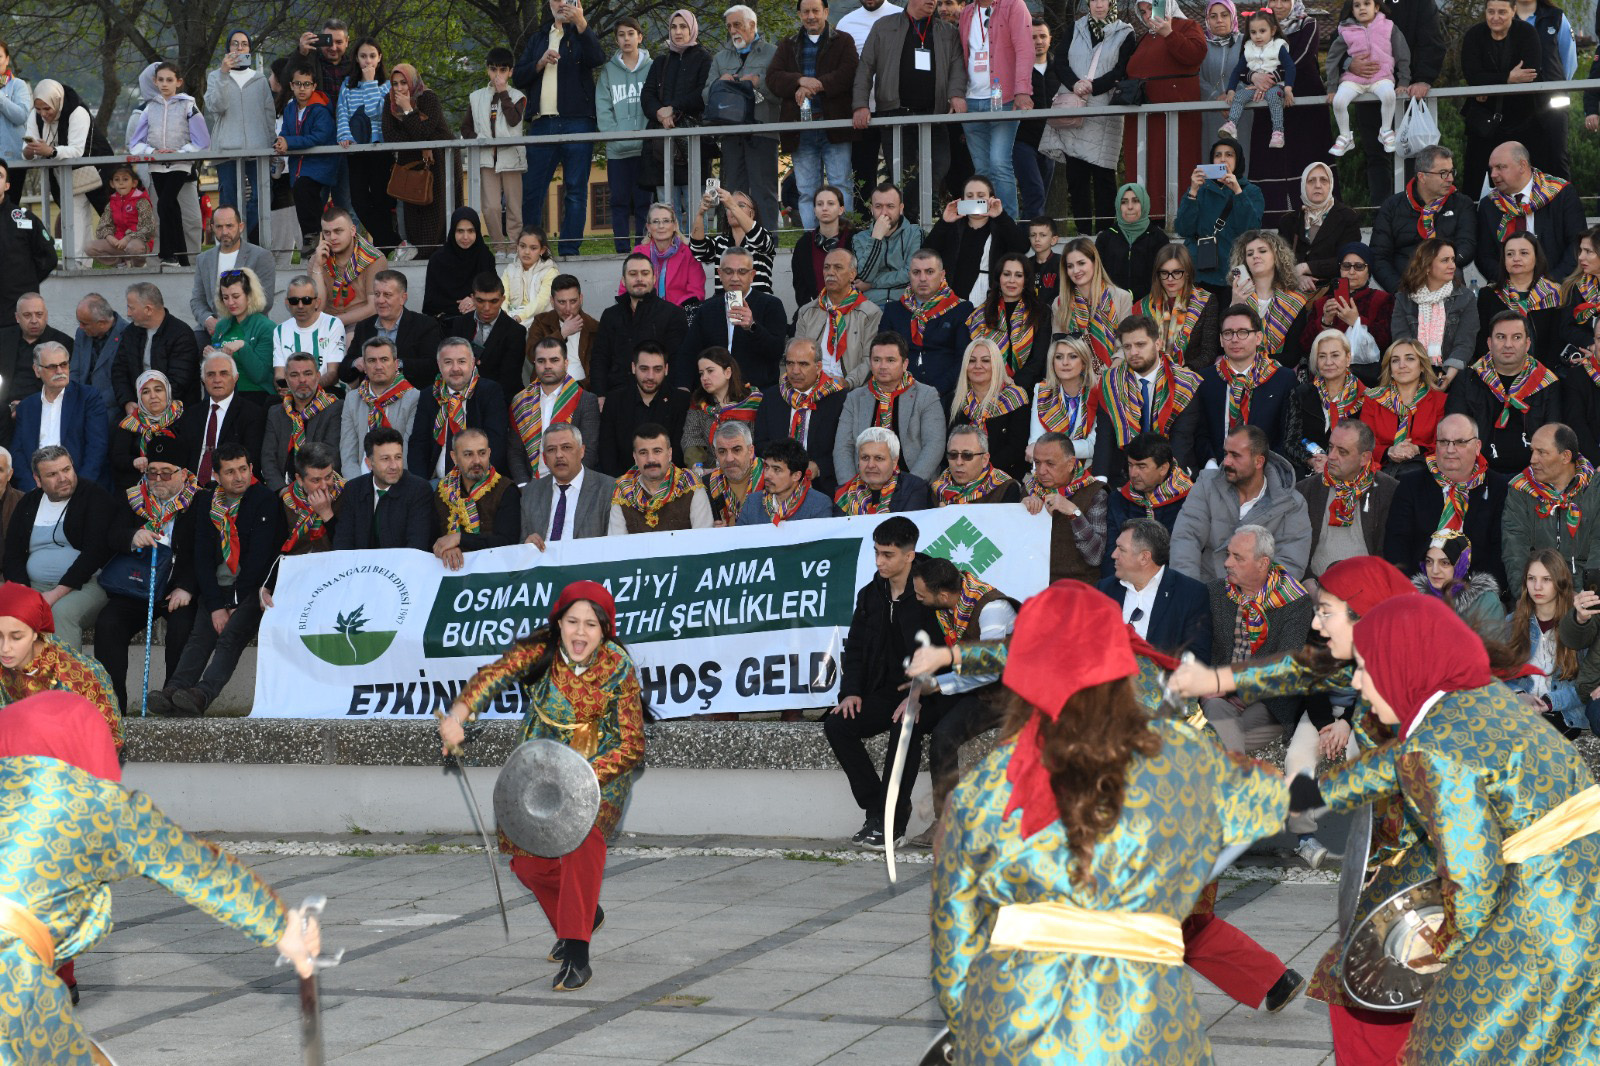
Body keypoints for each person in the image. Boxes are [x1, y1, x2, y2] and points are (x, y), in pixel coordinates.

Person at [931, 581, 1292, 1064]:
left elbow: (955, 944)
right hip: (1148, 1027)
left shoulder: (986, 789)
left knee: (1191, 925)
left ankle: (1270, 976)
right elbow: (1266, 800)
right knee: (1185, 921)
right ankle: (1271, 976)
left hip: (1027, 1026)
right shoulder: (1178, 751)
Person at [1302, 594, 1600, 1062]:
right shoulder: (1476, 697)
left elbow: (1473, 880)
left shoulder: (1434, 748)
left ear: (1399, 664)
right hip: (1583, 896)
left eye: (1365, 666)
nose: (1358, 681)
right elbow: (1393, 769)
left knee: (1454, 1048)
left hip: (1547, 916)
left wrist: (1433, 951)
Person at [439, 579, 643, 990]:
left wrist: (582, 778)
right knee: (529, 864)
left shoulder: (618, 667)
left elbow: (632, 744)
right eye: (573, 621)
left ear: (604, 631)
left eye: (591, 624)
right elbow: (491, 677)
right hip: (538, 772)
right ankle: (586, 915)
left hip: (600, 776)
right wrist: (457, 716)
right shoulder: (541, 654)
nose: (580, 632)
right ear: (559, 623)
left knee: (583, 844)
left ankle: (577, 951)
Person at [825, 516, 941, 848]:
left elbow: (942, 650)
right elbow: (857, 646)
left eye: (887, 554)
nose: (879, 561)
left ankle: (892, 822)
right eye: (876, 552)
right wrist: (851, 692)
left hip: (932, 692)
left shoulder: (930, 589)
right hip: (885, 690)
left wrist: (918, 694)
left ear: (909, 554)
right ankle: (877, 809)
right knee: (838, 724)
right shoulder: (871, 593)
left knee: (905, 725)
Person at [146, 442, 280, 716]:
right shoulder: (207, 501)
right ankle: (173, 691)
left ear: (252, 468)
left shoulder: (265, 500)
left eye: (243, 469)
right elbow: (202, 558)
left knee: (229, 637)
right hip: (217, 590)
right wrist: (217, 605)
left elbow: (259, 561)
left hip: (252, 591)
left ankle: (201, 695)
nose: (239, 476)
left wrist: (229, 605)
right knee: (199, 637)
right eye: (230, 472)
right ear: (217, 476)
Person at [903, 556, 1019, 848]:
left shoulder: (991, 608)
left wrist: (938, 686)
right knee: (920, 721)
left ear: (942, 595)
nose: (916, 599)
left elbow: (990, 670)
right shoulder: (951, 607)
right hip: (979, 688)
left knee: (944, 735)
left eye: (920, 595)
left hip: (1011, 692)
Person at [94, 436, 199, 713]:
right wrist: (133, 535)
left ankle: (172, 699)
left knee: (182, 629)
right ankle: (113, 704)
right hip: (139, 584)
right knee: (108, 623)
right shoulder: (133, 498)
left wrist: (187, 587)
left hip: (177, 588)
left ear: (184, 474)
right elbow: (112, 536)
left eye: (166, 472)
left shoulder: (201, 502)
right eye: (152, 472)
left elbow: (205, 553)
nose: (158, 479)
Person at [1200, 525, 1312, 750]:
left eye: (1237, 558)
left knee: (1217, 732)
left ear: (1262, 563)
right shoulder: (1214, 593)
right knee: (1216, 710)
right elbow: (1199, 646)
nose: (1227, 563)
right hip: (1219, 698)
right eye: (1228, 554)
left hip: (1267, 701)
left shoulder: (1294, 601)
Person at [849, 0, 960, 218]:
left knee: (939, 164)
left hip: (934, 116)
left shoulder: (947, 31)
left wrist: (956, 94)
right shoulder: (884, 26)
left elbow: (957, 65)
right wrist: (860, 105)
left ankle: (920, 214)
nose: (933, 1)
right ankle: (910, 225)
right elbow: (865, 68)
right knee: (903, 175)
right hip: (894, 115)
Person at [513, 0, 604, 257]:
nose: (561, 3)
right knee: (532, 191)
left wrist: (581, 22)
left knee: (575, 190)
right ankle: (532, 251)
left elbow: (598, 58)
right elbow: (519, 77)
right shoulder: (539, 37)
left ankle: (569, 250)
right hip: (542, 123)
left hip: (579, 121)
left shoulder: (583, 32)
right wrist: (539, 63)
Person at [2, 447, 116, 649]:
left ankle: (67, 680)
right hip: (33, 586)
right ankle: (14, 679)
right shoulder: (28, 503)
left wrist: (54, 595)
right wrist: (25, 594)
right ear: (38, 480)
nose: (63, 478)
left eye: (66, 469)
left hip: (86, 584)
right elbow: (13, 555)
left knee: (61, 613)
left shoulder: (94, 497)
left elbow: (94, 554)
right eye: (52, 474)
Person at [1385, 412, 1511, 588]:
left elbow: (1501, 552)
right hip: (1419, 592)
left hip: (1477, 595)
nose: (1450, 450)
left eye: (1460, 442)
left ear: (1477, 446)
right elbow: (1397, 546)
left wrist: (1471, 592)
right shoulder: (1410, 485)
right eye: (1443, 442)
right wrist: (1416, 590)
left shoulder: (1500, 489)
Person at [1171, 424, 1312, 581]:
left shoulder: (1291, 503)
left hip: (1257, 595)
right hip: (1205, 586)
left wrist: (1253, 599)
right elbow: (1186, 538)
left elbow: (1290, 562)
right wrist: (1188, 590)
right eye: (1225, 453)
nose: (1226, 462)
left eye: (1235, 455)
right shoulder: (1207, 483)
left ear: (1258, 461)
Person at [768, 0, 859, 232]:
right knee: (807, 190)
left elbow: (848, 73)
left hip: (835, 126)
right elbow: (773, 78)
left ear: (826, 12)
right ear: (799, 14)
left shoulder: (843, 40)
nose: (811, 16)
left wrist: (815, 85)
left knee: (841, 185)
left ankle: (843, 239)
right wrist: (800, 80)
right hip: (801, 129)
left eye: (815, 11)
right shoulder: (788, 45)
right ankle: (812, 241)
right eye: (806, 11)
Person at [1447, 310, 1561, 476]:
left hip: (1535, 476)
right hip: (1477, 473)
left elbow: (1553, 436)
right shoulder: (1468, 379)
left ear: (1527, 343)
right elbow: (1454, 431)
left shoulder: (1546, 382)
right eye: (1500, 337)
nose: (1508, 344)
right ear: (1489, 342)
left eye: (1516, 337)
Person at [1121, 0, 1206, 219]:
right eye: (1143, 11)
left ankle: (1180, 220)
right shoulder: (1143, 38)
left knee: (1174, 168)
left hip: (1175, 120)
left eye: (1152, 8)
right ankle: (1147, 221)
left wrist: (1169, 33)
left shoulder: (1186, 26)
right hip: (1144, 120)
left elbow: (1196, 54)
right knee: (1146, 172)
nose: (1148, 15)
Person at [1094, 313, 1201, 481]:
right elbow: (1104, 436)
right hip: (1124, 474)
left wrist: (1164, 482)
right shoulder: (1110, 382)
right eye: (1127, 347)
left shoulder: (1185, 384)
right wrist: (1100, 482)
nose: (1133, 352)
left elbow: (1181, 439)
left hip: (1173, 471)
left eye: (1140, 344)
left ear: (1158, 344)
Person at [703, 6, 781, 232]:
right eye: (729, 26)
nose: (732, 30)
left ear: (752, 25)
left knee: (763, 191)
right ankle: (732, 244)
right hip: (731, 133)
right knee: (732, 192)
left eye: (737, 24)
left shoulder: (772, 53)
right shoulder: (720, 58)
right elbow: (705, 94)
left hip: (763, 132)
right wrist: (720, 84)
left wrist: (759, 82)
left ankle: (768, 242)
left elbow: (780, 93)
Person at [834, 332, 945, 484]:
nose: (883, 366)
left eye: (890, 360)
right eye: (877, 360)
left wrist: (910, 486)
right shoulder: (854, 398)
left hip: (913, 482)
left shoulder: (926, 395)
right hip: (862, 485)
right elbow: (842, 448)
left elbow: (934, 445)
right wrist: (850, 488)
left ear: (905, 364)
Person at [21, 81, 113, 263]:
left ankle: (124, 260)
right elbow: (27, 148)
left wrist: (52, 151)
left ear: (57, 100)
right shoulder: (35, 114)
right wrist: (29, 151)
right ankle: (79, 263)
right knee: (75, 218)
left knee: (110, 217)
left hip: (97, 169)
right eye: (39, 109)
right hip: (64, 174)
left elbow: (77, 150)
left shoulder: (77, 112)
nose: (43, 114)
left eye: (47, 108)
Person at [1502, 422, 1600, 592]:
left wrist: (1579, 598)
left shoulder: (1594, 488)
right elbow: (1515, 552)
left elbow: (1597, 551)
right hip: (1536, 594)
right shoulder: (1520, 490)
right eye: (1532, 451)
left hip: (1585, 597)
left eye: (1542, 452)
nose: (1532, 460)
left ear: (1566, 456)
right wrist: (1528, 597)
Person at [1474, 139, 1584, 288]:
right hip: (1508, 293)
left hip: (1559, 290)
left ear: (1522, 165)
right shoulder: (1490, 204)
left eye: (1500, 167)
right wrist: (1513, 285)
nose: (1493, 174)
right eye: (1491, 168)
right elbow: (1484, 256)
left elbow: (1577, 245)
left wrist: (1551, 283)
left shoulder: (1561, 194)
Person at [1192, 304, 1295, 462]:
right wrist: (1211, 463)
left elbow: (1287, 435)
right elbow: (1199, 433)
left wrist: (1264, 466)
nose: (1234, 339)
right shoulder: (1204, 380)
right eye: (1228, 333)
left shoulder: (1282, 378)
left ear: (1258, 338)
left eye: (1243, 332)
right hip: (1216, 468)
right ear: (1220, 339)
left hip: (1264, 469)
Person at [1296, 418, 1397, 577]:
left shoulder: (1389, 491)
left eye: (1342, 451)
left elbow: (1392, 554)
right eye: (1330, 447)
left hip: (1368, 587)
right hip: (1315, 590)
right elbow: (1294, 551)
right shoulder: (1305, 490)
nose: (1332, 456)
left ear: (1364, 458)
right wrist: (1309, 584)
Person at [1369, 144, 1476, 294]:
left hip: (1450, 287)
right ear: (1422, 177)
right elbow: (1378, 257)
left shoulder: (1462, 203)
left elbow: (1468, 245)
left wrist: (1443, 264)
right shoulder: (1392, 206)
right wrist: (1400, 291)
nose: (1450, 179)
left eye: (1452, 172)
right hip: (1405, 288)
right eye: (1443, 173)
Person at [675, 248, 787, 390]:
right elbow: (689, 353)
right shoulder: (707, 309)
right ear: (720, 274)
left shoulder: (771, 305)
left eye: (742, 272)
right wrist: (683, 389)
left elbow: (776, 352)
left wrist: (752, 327)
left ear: (752, 275)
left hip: (757, 395)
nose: (735, 278)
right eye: (728, 272)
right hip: (713, 396)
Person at [1100, 517, 1212, 658]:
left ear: (1144, 557)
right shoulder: (1104, 590)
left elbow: (1196, 658)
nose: (1113, 555)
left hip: (1161, 678)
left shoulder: (1190, 594)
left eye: (1121, 549)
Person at [638, 10, 713, 214]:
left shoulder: (704, 59)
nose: (678, 31)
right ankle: (671, 247)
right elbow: (647, 96)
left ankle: (696, 247)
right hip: (663, 144)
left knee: (695, 208)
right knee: (666, 207)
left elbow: (703, 94)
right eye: (673, 27)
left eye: (683, 27)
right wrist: (660, 113)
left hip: (692, 143)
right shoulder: (661, 61)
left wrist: (674, 108)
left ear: (692, 29)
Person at [9, 343, 110, 495]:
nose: (60, 371)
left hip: (79, 487)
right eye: (52, 367)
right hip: (38, 487)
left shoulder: (87, 397)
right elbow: (17, 451)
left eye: (64, 364)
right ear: (37, 370)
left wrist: (80, 487)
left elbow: (97, 447)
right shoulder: (27, 406)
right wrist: (32, 487)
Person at [753, 337, 847, 496]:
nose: (795, 371)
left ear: (818, 367)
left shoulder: (839, 398)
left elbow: (845, 448)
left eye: (803, 364)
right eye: (790, 363)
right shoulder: (771, 397)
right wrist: (783, 465)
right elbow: (760, 443)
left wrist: (819, 466)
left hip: (823, 486)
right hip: (777, 486)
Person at [881, 250, 975, 407]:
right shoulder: (893, 310)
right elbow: (883, 354)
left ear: (942, 274)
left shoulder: (961, 309)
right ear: (909, 275)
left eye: (929, 272)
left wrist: (936, 391)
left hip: (946, 395)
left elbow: (964, 359)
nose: (922, 278)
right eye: (916, 272)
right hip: (899, 392)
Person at [408, 338, 511, 480]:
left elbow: (496, 444)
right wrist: (419, 485)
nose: (455, 368)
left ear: (473, 362)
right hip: (435, 483)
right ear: (439, 365)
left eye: (461, 361)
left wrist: (475, 483)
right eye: (448, 362)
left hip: (480, 481)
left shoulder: (490, 391)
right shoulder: (429, 394)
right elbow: (418, 444)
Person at [206, 32, 276, 239]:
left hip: (258, 148)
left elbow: (269, 114)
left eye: (244, 44)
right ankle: (230, 244)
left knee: (262, 197)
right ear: (228, 48)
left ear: (249, 50)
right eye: (235, 44)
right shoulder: (215, 76)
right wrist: (223, 74)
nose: (239, 48)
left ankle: (240, 237)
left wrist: (271, 144)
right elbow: (217, 106)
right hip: (227, 149)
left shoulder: (260, 79)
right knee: (229, 201)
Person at [1176, 135, 1264, 294]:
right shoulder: (1200, 189)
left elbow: (1251, 231)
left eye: (1229, 155)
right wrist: (1193, 192)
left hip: (1234, 274)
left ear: (1238, 160)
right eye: (1218, 155)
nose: (1223, 159)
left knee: (1232, 318)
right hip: (1201, 272)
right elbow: (1183, 229)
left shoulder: (1250, 191)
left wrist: (1237, 191)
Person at [924, 176, 1028, 309]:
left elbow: (1022, 246)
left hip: (991, 301)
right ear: (962, 200)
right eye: (970, 196)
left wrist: (1001, 216)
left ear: (991, 198)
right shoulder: (952, 226)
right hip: (953, 301)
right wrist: (944, 222)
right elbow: (926, 253)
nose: (975, 200)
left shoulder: (1001, 226)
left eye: (980, 195)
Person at [381, 63, 452, 257]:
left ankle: (434, 254)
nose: (399, 88)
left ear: (412, 81)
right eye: (395, 84)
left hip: (437, 160)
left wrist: (408, 109)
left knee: (434, 209)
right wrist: (421, 143)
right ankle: (415, 252)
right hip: (411, 161)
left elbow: (425, 130)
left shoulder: (428, 97)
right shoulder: (390, 101)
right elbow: (390, 136)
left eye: (403, 82)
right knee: (411, 207)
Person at [594, 19, 652, 254]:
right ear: (616, 39)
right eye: (621, 35)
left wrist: (649, 135)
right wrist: (613, 136)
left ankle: (642, 250)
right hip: (617, 150)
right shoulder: (609, 70)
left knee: (643, 203)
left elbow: (656, 101)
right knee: (618, 201)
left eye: (631, 34)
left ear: (640, 37)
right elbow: (603, 106)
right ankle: (620, 249)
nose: (626, 39)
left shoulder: (653, 67)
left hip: (644, 149)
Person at [464, 47, 527, 256]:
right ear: (487, 70)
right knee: (490, 206)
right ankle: (498, 245)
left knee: (514, 205)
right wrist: (479, 141)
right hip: (486, 158)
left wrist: (503, 93)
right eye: (493, 69)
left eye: (502, 70)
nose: (497, 75)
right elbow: (466, 127)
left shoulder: (518, 96)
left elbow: (513, 120)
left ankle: (514, 244)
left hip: (511, 157)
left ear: (510, 72)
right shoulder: (476, 97)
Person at [335, 37, 397, 253]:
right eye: (363, 56)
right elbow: (342, 112)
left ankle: (385, 246)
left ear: (379, 58)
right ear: (356, 58)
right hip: (356, 150)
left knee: (381, 199)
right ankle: (393, 242)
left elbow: (376, 113)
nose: (367, 61)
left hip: (379, 150)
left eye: (372, 56)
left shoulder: (386, 86)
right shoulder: (347, 85)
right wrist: (345, 136)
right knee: (359, 201)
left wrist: (370, 82)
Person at [510, 338, 601, 484]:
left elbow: (589, 451)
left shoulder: (585, 400)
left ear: (566, 363)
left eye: (554, 360)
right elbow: (515, 451)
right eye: (541, 361)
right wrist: (524, 486)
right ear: (534, 363)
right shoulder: (521, 401)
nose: (547, 366)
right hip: (532, 485)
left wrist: (569, 484)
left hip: (572, 485)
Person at [1391, 238, 1478, 389]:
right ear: (1427, 265)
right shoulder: (1404, 298)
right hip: (1413, 375)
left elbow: (1465, 343)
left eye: (1452, 259)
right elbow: (1402, 341)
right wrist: (1423, 376)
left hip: (1454, 375)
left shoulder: (1465, 297)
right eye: (1445, 260)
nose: (1452, 265)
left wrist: (1448, 377)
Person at [1325, 0, 1408, 158]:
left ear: (1376, 7)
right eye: (1357, 5)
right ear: (1352, 10)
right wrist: (1332, 87)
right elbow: (1332, 58)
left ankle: (1385, 131)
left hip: (1381, 77)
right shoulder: (1346, 30)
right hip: (1353, 79)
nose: (1362, 8)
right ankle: (1345, 136)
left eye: (1366, 3)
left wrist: (1403, 81)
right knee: (1339, 101)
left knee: (1389, 95)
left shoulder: (1389, 27)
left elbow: (1402, 54)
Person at [1023, 430, 1107, 581]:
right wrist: (1019, 512)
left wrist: (1074, 513)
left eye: (1050, 463)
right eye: (1037, 463)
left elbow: (1095, 557)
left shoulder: (1095, 493)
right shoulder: (1028, 490)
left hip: (1078, 588)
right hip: (1033, 584)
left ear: (1070, 464)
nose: (1041, 471)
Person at [333, 426, 434, 551]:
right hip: (361, 567)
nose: (394, 466)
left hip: (403, 567)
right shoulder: (353, 489)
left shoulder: (419, 490)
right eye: (385, 459)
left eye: (398, 457)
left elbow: (416, 547)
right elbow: (343, 541)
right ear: (369, 463)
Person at [793, 248, 882, 388]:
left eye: (838, 267)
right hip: (811, 386)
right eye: (826, 267)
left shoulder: (870, 313)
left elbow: (870, 359)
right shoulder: (807, 311)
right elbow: (796, 355)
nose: (830, 272)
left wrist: (848, 382)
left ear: (852, 275)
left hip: (849, 389)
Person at [1477, 232, 1566, 372]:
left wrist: (1544, 375)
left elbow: (1557, 341)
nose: (1516, 258)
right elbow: (1482, 341)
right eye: (1510, 254)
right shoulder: (1489, 294)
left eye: (1524, 253)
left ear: (1536, 258)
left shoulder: (1553, 293)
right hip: (1497, 373)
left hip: (1544, 374)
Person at [432, 428, 519, 569]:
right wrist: (447, 548)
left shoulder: (506, 488)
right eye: (468, 454)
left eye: (482, 453)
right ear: (454, 457)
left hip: (496, 573)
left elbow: (509, 542)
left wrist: (459, 539)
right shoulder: (443, 490)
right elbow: (433, 537)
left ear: (489, 453)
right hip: (450, 571)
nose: (477, 461)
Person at [275, 60, 337, 257]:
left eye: (307, 84)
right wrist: (281, 141)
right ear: (291, 86)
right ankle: (314, 240)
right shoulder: (290, 108)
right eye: (298, 84)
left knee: (305, 191)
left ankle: (313, 236)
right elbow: (285, 131)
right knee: (303, 199)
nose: (302, 88)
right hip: (298, 167)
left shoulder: (320, 109)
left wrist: (290, 142)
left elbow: (320, 136)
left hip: (319, 165)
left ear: (314, 86)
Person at [962, 252, 1049, 391]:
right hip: (985, 388)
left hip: (1024, 390)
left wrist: (1014, 386)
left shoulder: (1040, 312)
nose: (1011, 280)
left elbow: (1038, 359)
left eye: (1018, 275)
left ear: (1026, 280)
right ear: (999, 278)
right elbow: (970, 357)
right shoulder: (980, 314)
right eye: (1007, 274)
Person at [598, 343, 688, 477]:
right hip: (622, 485)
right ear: (634, 368)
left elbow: (679, 452)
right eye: (644, 369)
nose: (650, 376)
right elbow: (607, 451)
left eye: (657, 369)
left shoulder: (681, 401)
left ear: (666, 369)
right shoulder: (614, 400)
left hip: (668, 485)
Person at [1283, 329, 1365, 475]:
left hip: (1351, 473)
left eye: (1335, 355)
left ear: (1348, 358)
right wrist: (1312, 460)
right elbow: (1291, 443)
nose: (1328, 362)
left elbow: (1367, 445)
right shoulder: (1301, 394)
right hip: (1311, 472)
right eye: (1322, 356)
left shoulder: (1364, 397)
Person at [1361, 338, 1447, 474]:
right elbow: (1364, 445)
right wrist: (1389, 451)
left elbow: (1444, 443)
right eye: (1395, 360)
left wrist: (1417, 449)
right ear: (1390, 369)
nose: (1402, 365)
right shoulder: (1373, 399)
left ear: (1422, 366)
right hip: (1380, 471)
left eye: (1410, 359)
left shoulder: (1440, 401)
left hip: (1425, 472)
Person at [347, 270, 445, 390]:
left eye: (387, 295)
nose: (380, 300)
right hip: (370, 399)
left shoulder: (425, 325)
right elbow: (344, 371)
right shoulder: (364, 326)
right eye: (377, 294)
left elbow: (433, 366)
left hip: (411, 398)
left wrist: (397, 364)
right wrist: (355, 363)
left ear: (402, 298)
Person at [180, 352, 267, 486]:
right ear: (203, 381)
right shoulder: (190, 414)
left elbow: (252, 459)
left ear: (235, 378)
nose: (217, 380)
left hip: (231, 488)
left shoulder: (252, 413)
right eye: (210, 374)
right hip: (190, 488)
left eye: (224, 373)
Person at [190, 207, 276, 341]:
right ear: (212, 227)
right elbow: (197, 300)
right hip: (213, 328)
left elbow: (265, 301)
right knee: (188, 345)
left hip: (249, 327)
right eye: (219, 227)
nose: (224, 232)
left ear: (241, 226)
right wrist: (208, 320)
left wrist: (230, 325)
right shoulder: (204, 259)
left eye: (229, 226)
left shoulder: (261, 256)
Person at [948, 337, 1029, 480]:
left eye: (985, 360)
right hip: (961, 478)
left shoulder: (1015, 397)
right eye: (972, 361)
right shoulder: (955, 401)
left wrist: (981, 472)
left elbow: (1017, 448)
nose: (977, 366)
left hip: (1005, 480)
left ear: (996, 364)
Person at [608, 423, 713, 532]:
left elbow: (703, 540)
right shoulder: (623, 490)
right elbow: (617, 544)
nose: (651, 459)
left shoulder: (690, 483)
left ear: (669, 453)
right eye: (643, 453)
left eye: (657, 451)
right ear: (635, 457)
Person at [522, 423, 616, 546]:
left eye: (566, 447)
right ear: (544, 458)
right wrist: (526, 545)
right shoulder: (531, 492)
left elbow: (615, 545)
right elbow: (520, 544)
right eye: (551, 450)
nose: (559, 455)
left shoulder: (609, 488)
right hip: (543, 563)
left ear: (581, 451)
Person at [1227, 230, 1311, 367]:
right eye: (1250, 254)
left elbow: (1292, 355)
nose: (1255, 256)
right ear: (1244, 261)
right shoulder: (1232, 294)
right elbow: (1223, 344)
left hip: (1279, 374)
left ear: (1276, 256)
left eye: (1262, 251)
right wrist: (1235, 305)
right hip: (1237, 372)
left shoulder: (1295, 300)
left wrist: (1254, 364)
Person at [114, 283, 199, 418]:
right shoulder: (131, 333)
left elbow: (178, 382)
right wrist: (127, 401)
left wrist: (149, 407)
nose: (128, 314)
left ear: (148, 309)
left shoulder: (181, 334)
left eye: (131, 308)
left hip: (176, 413)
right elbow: (119, 371)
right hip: (137, 409)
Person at [261, 352, 342, 493]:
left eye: (308, 373)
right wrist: (281, 490)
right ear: (286, 379)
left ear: (318, 376)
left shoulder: (335, 408)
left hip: (322, 490)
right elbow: (268, 459)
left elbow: (332, 455)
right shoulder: (276, 412)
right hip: (284, 492)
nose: (302, 380)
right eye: (294, 375)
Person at [1278, 166, 1363, 296]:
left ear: (1331, 185)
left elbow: (1348, 260)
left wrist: (1305, 267)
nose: (1318, 185)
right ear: (1303, 185)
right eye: (1311, 181)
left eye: (1324, 180)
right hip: (1294, 294)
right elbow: (1280, 259)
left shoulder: (1347, 217)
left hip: (1335, 294)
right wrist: (1297, 277)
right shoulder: (1289, 220)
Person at [1219, 8, 1294, 149]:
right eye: (1253, 32)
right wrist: (1231, 90)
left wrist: (1288, 89)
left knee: (1273, 96)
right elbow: (1237, 70)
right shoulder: (1248, 48)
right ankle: (1232, 124)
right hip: (1255, 87)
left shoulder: (1278, 46)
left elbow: (1290, 67)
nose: (1258, 36)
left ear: (1272, 31)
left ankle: (1278, 131)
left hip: (1277, 86)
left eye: (1262, 31)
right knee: (1240, 96)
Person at [446, 272, 528, 401]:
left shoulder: (515, 331)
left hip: (500, 401)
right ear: (472, 298)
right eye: (480, 301)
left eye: (493, 301)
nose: (487, 308)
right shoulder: (460, 324)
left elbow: (509, 379)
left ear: (503, 299)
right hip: (461, 398)